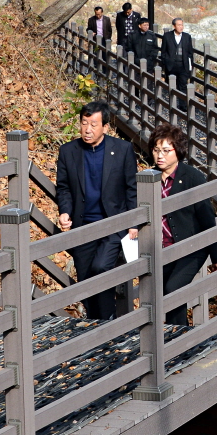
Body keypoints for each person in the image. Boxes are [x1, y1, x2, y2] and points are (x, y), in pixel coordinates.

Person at [56, 101, 138, 320]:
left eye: (93, 124)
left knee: (101, 267)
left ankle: (106, 320)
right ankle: (97, 324)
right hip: (83, 224)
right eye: (84, 123)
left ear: (105, 127)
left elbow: (132, 188)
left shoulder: (122, 150)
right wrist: (65, 211)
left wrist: (134, 221)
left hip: (113, 223)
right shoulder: (68, 151)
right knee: (85, 279)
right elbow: (63, 187)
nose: (88, 129)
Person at [148, 122, 217, 326]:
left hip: (190, 248)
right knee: (162, 294)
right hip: (160, 248)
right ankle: (170, 340)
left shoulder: (192, 177)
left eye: (166, 150)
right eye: (156, 150)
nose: (160, 155)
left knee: (174, 289)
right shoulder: (150, 178)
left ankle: (178, 341)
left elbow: (207, 218)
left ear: (178, 151)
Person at [160, 18, 193, 96]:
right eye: (179, 25)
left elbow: (190, 52)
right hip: (171, 65)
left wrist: (190, 65)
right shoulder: (167, 36)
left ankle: (182, 107)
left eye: (182, 25)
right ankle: (172, 105)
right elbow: (163, 51)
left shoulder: (187, 36)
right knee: (171, 87)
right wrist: (165, 62)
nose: (181, 27)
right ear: (174, 26)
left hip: (183, 65)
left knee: (183, 86)